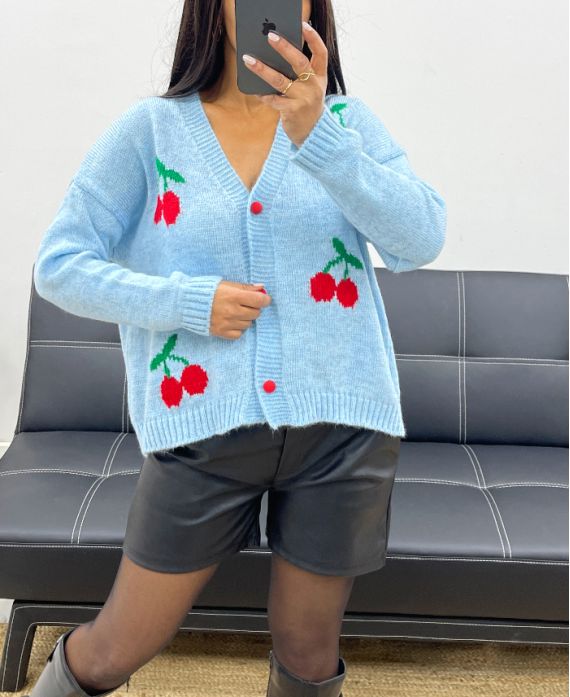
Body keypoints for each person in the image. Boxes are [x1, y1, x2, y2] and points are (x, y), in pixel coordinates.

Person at [27, 0, 446, 695]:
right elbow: (60, 266)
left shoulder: (344, 123)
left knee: (309, 655)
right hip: (202, 431)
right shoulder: (150, 131)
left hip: (343, 433)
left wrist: (318, 136)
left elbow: (421, 238)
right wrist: (188, 302)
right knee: (115, 648)